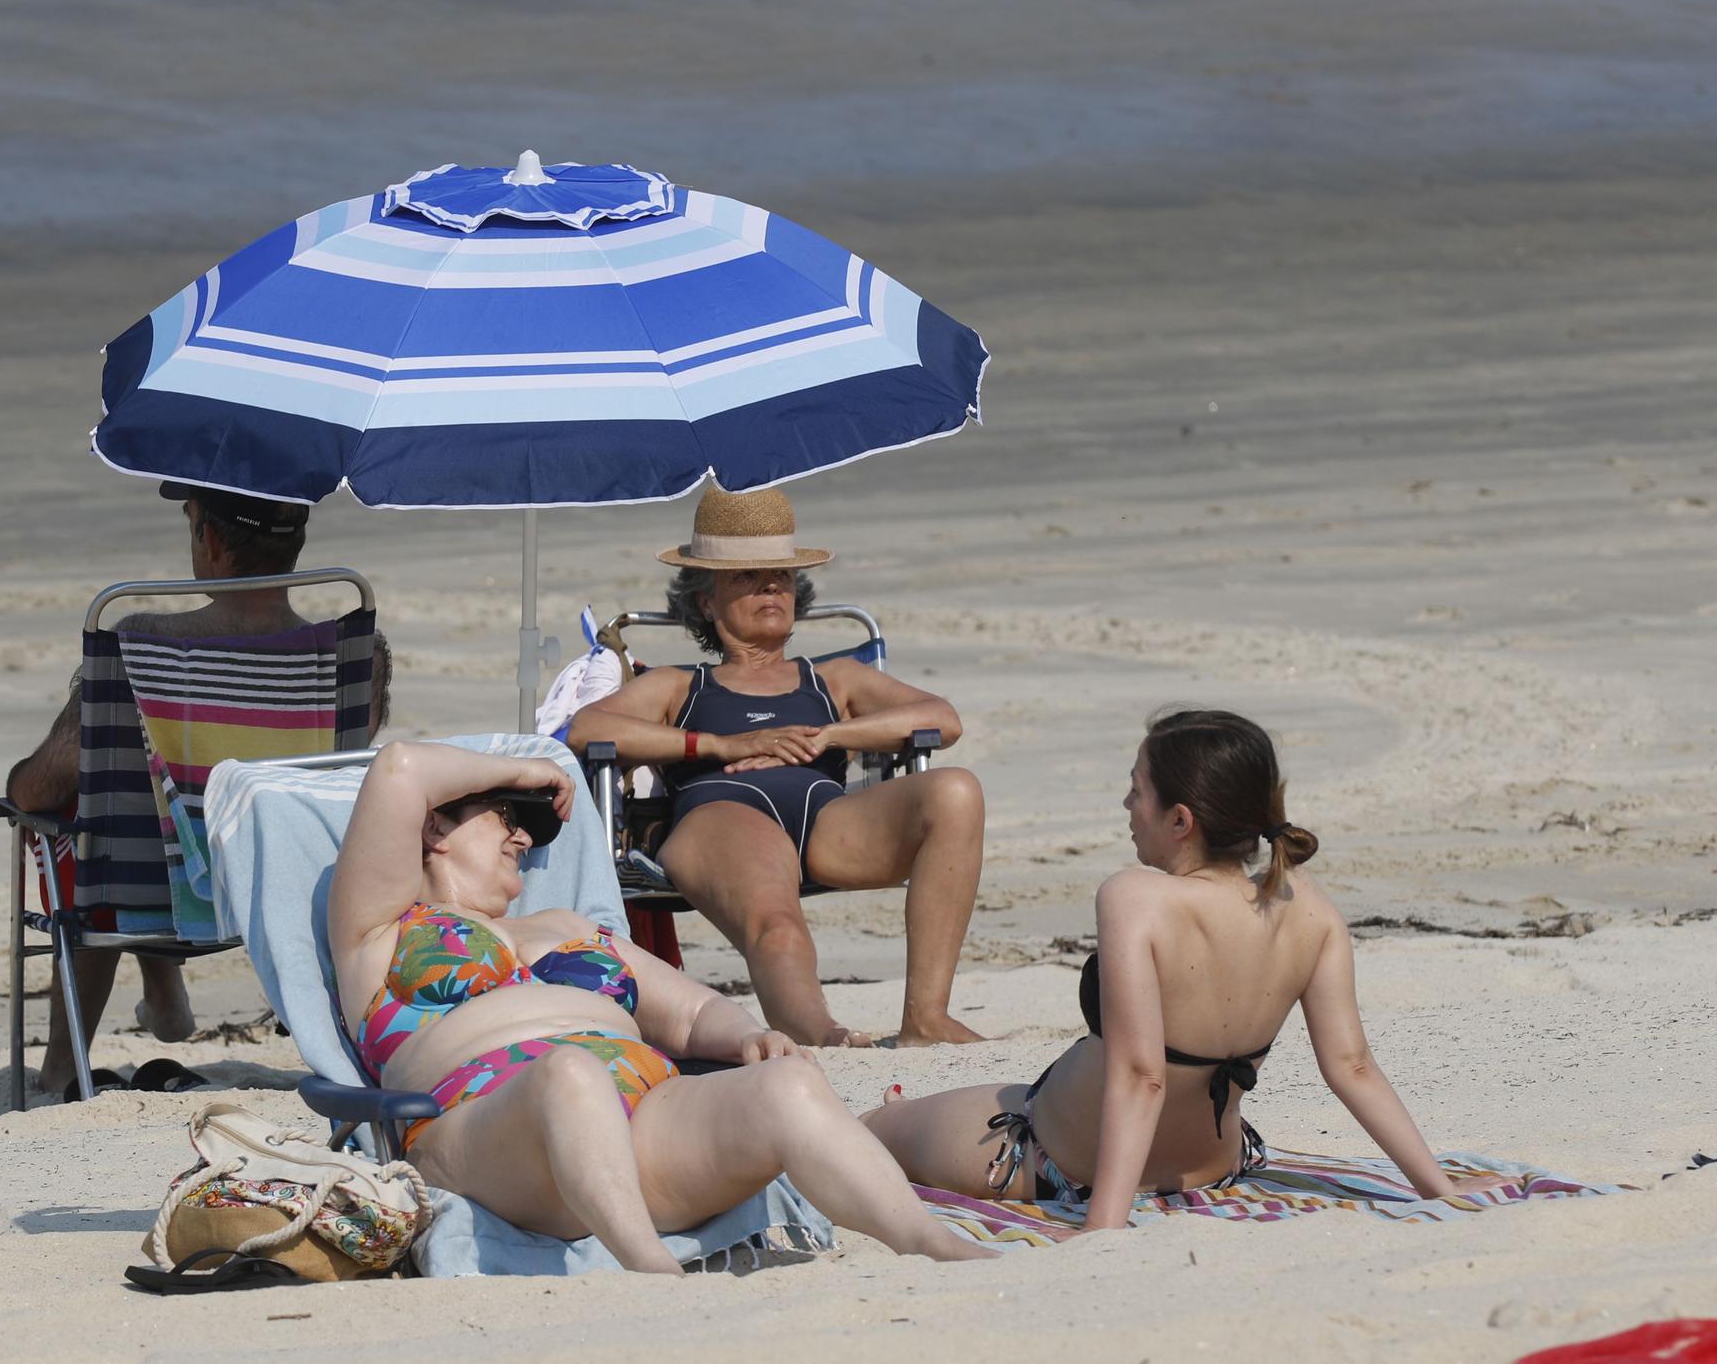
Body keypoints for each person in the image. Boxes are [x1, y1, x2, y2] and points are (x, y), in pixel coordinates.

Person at [327, 740, 995, 1271]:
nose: (525, 840)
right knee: (569, 1074)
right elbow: (400, 767)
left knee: (786, 1084)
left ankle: (927, 1242)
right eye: (507, 818)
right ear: (435, 826)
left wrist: (745, 1039)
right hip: (479, 1132)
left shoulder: (566, 928)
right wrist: (536, 765)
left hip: (638, 1123)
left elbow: (692, 1013)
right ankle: (651, 1270)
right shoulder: (380, 930)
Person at [861, 709, 1472, 1228]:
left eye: (1137, 790)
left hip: (1060, 1161)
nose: (1127, 805)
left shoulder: (1136, 897)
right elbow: (1353, 1067)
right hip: (1217, 1163)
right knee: (969, 1103)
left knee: (879, 1128)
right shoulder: (1307, 909)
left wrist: (1103, 1226)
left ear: (1181, 820)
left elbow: (1141, 1075)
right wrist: (1439, 1189)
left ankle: (899, 1113)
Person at [6, 482, 392, 1098]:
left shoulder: (139, 644)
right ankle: (166, 993)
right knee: (161, 804)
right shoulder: (353, 659)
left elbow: (36, 790)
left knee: (87, 814)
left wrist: (17, 787)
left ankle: (62, 1063)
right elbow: (331, 780)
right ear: (296, 540)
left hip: (148, 889)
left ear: (207, 538)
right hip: (291, 883)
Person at [565, 485, 984, 1049]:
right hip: (722, 814)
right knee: (777, 923)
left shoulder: (833, 680)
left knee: (956, 790)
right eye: (745, 577)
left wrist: (830, 733)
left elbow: (943, 718)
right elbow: (587, 729)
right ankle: (822, 1035)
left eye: (780, 576)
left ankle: (925, 1019)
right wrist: (720, 745)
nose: (769, 587)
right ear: (706, 601)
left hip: (825, 821)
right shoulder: (680, 684)